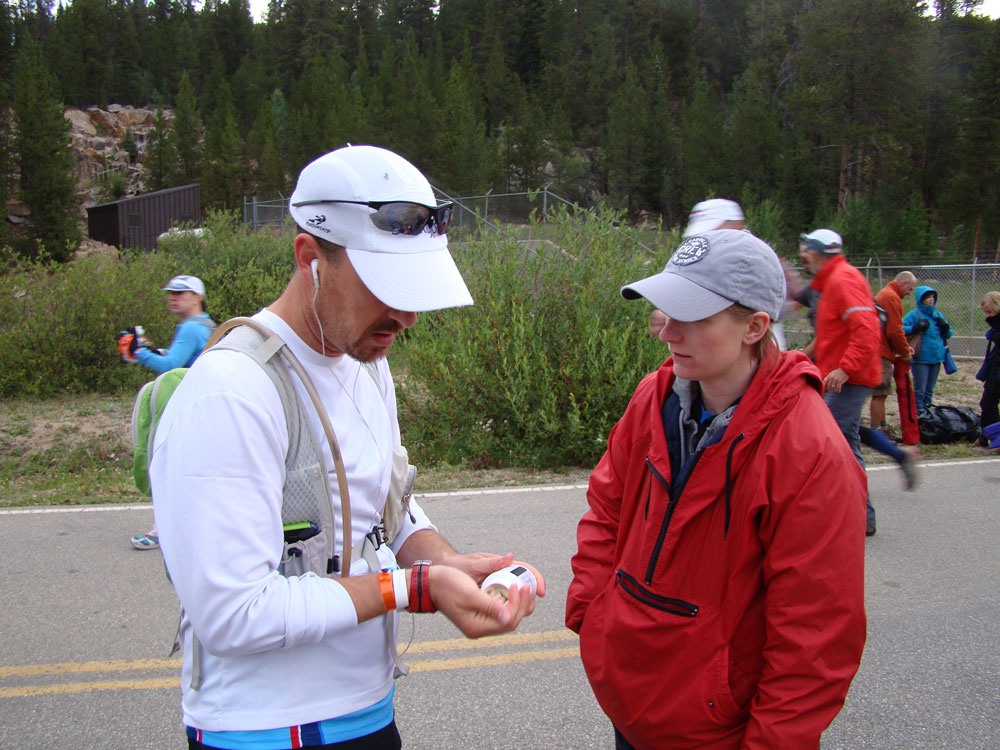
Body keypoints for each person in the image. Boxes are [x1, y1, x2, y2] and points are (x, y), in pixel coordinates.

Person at [150, 145, 544, 750]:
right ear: (310, 258)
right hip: (267, 731)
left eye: (414, 288)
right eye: (384, 286)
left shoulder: (365, 361)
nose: (406, 316)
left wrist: (440, 559)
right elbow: (234, 614)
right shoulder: (232, 393)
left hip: (367, 710)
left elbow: (384, 505)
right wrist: (413, 587)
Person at [566, 229, 867, 749]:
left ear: (754, 326)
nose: (667, 333)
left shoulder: (810, 450)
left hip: (716, 729)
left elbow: (815, 636)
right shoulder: (653, 397)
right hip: (630, 698)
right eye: (666, 310)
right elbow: (606, 508)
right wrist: (594, 616)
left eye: (692, 316)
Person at [798, 229, 882, 536]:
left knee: (826, 443)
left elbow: (868, 329)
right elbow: (831, 333)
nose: (802, 254)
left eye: (806, 249)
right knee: (844, 444)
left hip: (849, 379)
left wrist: (845, 369)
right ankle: (862, 516)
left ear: (818, 252)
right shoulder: (830, 280)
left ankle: (846, 515)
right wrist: (802, 355)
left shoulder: (843, 279)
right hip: (839, 377)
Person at [128, 274, 216, 550]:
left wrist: (137, 353)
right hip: (201, 406)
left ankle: (162, 531)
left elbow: (172, 366)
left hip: (184, 407)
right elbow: (181, 357)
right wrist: (153, 349)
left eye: (181, 293)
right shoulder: (205, 325)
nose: (174, 298)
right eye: (171, 293)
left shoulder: (191, 328)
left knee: (167, 464)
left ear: (198, 296)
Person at [646, 199, 744, 335]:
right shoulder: (704, 259)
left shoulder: (754, 262)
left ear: (736, 225)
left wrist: (677, 313)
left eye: (713, 231)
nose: (705, 239)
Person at [870, 271, 917, 438]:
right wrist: (904, 352)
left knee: (883, 393)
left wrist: (902, 348)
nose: (909, 293)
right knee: (880, 392)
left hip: (881, 349)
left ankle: (883, 427)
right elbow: (895, 331)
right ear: (903, 283)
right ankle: (876, 431)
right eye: (910, 289)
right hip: (880, 352)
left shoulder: (887, 294)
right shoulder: (891, 297)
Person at [902, 285, 953, 412]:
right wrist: (915, 327)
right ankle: (918, 413)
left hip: (936, 358)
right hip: (920, 358)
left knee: (929, 390)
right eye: (927, 297)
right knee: (920, 390)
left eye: (932, 297)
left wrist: (945, 327)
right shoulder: (914, 315)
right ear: (920, 299)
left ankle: (928, 410)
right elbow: (900, 329)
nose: (931, 299)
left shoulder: (938, 314)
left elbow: (949, 334)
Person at [975, 290, 1000, 445]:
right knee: (987, 402)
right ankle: (988, 435)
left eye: (990, 312)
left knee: (989, 401)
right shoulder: (995, 326)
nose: (988, 316)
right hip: (995, 367)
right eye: (986, 313)